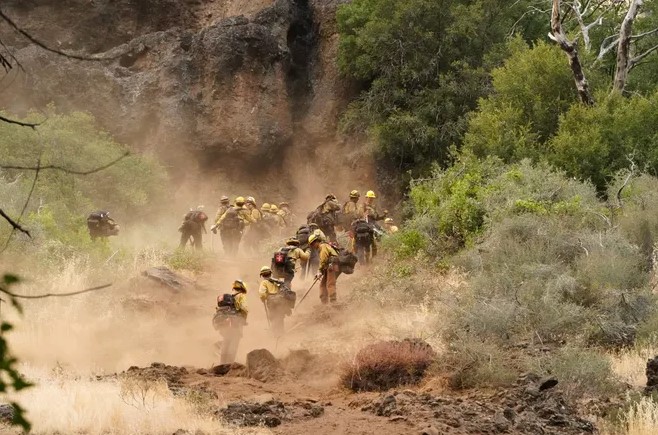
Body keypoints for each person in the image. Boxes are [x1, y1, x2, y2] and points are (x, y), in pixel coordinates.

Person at [212, 279, 248, 364]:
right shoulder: (241, 296)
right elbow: (244, 309)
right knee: (234, 341)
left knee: (226, 340)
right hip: (235, 322)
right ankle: (230, 364)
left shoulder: (230, 297)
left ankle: (222, 363)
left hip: (226, 322)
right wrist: (243, 319)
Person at [258, 266, 295, 335]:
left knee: (273, 316)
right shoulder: (276, 281)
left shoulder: (264, 283)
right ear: (270, 273)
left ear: (262, 275)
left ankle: (274, 333)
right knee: (280, 316)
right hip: (280, 300)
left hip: (272, 302)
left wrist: (263, 298)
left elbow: (262, 294)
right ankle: (281, 332)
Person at [309, 233, 341, 304]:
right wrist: (320, 271)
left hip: (332, 265)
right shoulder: (322, 247)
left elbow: (323, 259)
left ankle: (333, 301)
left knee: (330, 283)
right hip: (328, 266)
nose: (313, 246)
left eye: (313, 244)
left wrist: (319, 271)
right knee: (322, 284)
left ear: (317, 241)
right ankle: (324, 302)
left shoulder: (323, 246)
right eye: (311, 245)